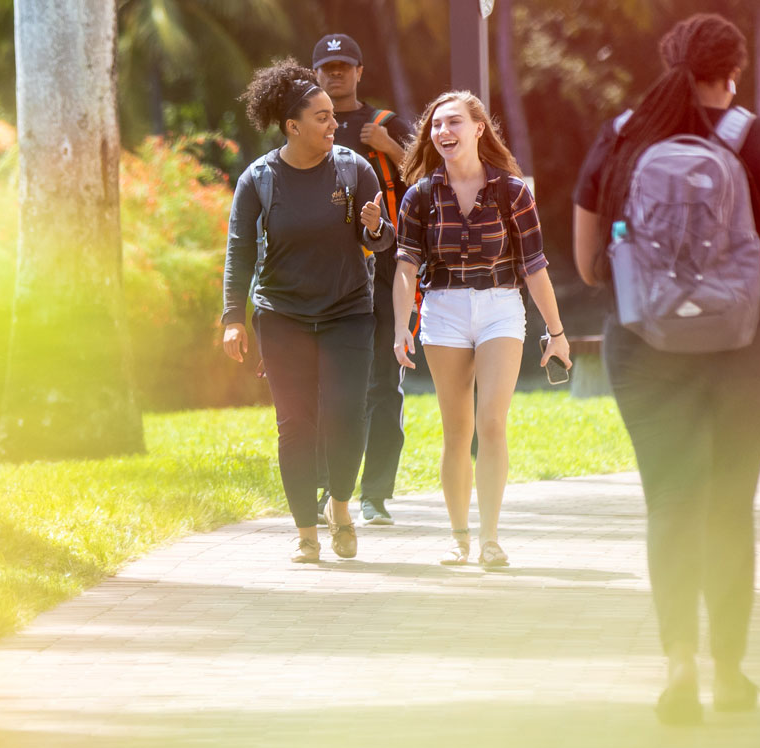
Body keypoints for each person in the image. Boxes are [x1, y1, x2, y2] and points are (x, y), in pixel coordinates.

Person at [571, 13, 760, 725]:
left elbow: (589, 263)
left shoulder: (621, 138)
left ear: (670, 61)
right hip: (743, 350)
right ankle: (731, 673)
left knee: (671, 501)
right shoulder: (754, 140)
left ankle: (678, 662)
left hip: (644, 349)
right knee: (729, 506)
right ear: (731, 71)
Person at [222, 60, 395, 564]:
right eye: (321, 117)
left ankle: (340, 506)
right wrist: (234, 316)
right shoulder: (259, 179)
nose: (334, 124)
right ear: (292, 126)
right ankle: (305, 533)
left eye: (332, 115)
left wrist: (374, 226)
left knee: (344, 415)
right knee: (295, 423)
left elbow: (380, 241)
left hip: (347, 311)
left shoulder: (353, 168)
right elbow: (240, 251)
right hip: (282, 314)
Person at [390, 91, 572, 568]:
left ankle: (490, 538)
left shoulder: (512, 192)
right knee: (457, 430)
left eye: (453, 123)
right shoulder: (420, 196)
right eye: (435, 126)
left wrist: (556, 332)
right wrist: (400, 325)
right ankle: (459, 537)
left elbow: (534, 267)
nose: (443, 133)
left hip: (500, 307)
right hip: (443, 308)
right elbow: (406, 266)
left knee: (491, 422)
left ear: (478, 129)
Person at [311, 33, 416, 526]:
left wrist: (391, 147)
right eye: (327, 67)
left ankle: (375, 494)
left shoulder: (385, 124)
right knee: (326, 385)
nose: (335, 74)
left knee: (383, 383)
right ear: (315, 75)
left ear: (359, 72)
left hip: (387, 270)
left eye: (344, 66)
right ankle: (325, 489)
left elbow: (428, 180)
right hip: (330, 272)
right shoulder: (308, 124)